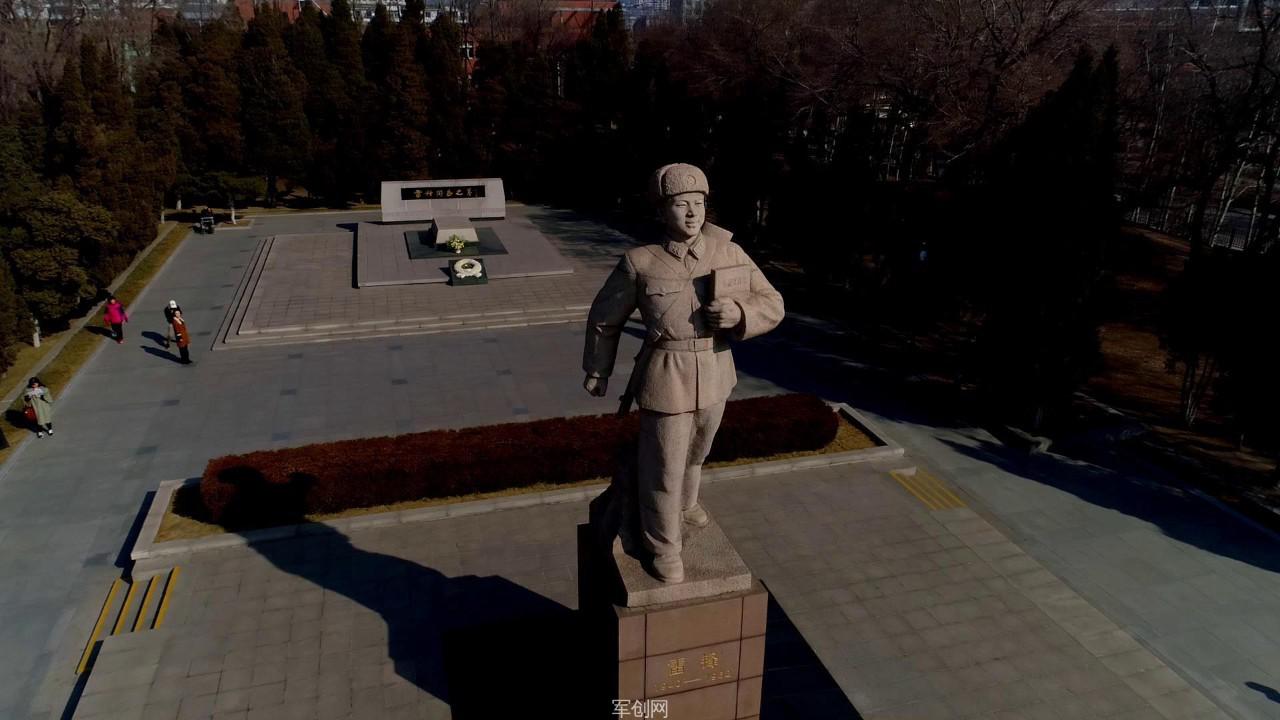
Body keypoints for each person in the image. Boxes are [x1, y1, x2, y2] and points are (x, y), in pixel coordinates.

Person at [582, 163, 785, 583]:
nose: (692, 213)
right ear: (662, 211)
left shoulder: (728, 252)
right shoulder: (640, 262)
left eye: (698, 203)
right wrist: (598, 370)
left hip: (715, 369)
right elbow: (605, 318)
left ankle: (687, 506)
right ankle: (664, 546)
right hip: (666, 374)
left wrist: (739, 313)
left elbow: (772, 302)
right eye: (680, 204)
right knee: (664, 468)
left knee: (696, 454)